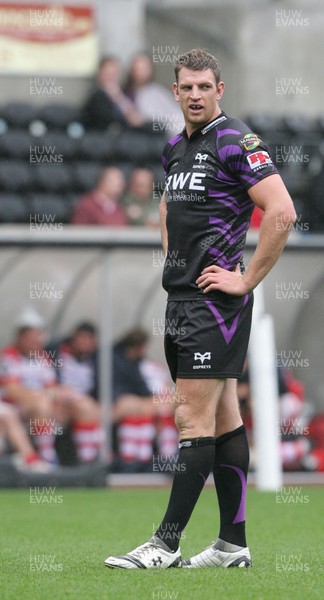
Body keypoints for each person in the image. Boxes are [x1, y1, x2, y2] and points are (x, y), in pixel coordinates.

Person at [104, 48, 296, 569]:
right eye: (186, 87)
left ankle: (165, 544)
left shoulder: (236, 140)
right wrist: (172, 257)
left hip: (215, 304)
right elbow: (169, 205)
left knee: (191, 416)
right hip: (182, 299)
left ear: (219, 90)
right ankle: (233, 545)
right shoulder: (174, 149)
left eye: (203, 87)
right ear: (175, 91)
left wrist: (247, 277)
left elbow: (281, 211)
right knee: (225, 417)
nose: (194, 95)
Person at [0, 308, 103, 465]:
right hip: (18, 408)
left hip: (46, 407)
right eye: (31, 337)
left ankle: (87, 461)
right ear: (20, 337)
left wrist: (61, 395)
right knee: (42, 406)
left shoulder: (43, 357)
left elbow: (51, 386)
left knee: (84, 405)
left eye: (38, 336)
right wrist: (41, 396)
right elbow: (12, 390)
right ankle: (46, 459)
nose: (36, 341)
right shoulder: (9, 356)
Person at [124, 52, 184, 134]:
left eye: (144, 69)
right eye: (137, 69)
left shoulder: (157, 92)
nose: (140, 73)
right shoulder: (126, 93)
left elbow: (174, 118)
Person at [82, 55, 144, 130]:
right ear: (100, 74)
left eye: (114, 74)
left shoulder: (125, 95)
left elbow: (137, 119)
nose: (111, 78)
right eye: (108, 74)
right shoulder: (97, 97)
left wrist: (119, 98)